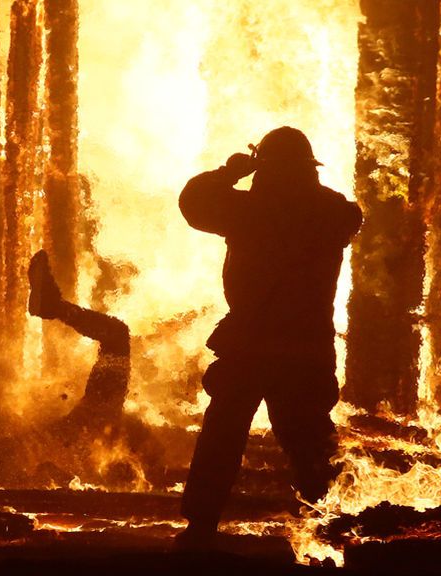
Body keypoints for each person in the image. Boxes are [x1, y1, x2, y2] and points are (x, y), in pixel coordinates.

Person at [177, 126, 362, 546]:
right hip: (306, 347)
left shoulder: (246, 210)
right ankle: (332, 524)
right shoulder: (332, 212)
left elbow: (193, 204)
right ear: (308, 169)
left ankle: (200, 529)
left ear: (263, 169)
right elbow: (353, 215)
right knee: (309, 441)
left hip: (249, 345)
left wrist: (230, 171)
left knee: (222, 438)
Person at [27, 250, 130, 427]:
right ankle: (53, 306)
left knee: (117, 335)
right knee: (116, 335)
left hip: (95, 426)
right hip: (98, 425)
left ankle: (54, 306)